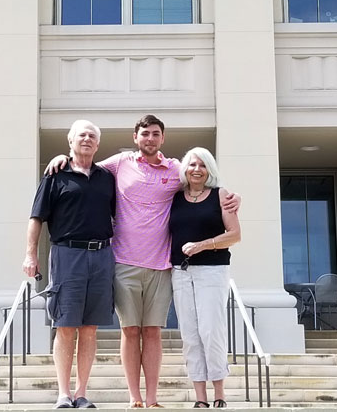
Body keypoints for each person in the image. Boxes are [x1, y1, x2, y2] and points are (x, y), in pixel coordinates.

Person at [47, 114, 240, 408]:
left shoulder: (176, 169)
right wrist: (63, 156)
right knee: (129, 331)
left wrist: (231, 197)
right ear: (135, 137)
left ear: (162, 138)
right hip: (123, 263)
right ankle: (134, 397)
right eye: (144, 134)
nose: (149, 139)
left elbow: (200, 184)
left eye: (155, 134)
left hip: (162, 266)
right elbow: (85, 166)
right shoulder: (120, 163)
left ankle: (152, 399)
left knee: (152, 333)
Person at [24, 120, 116, 409]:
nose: (87, 139)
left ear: (98, 144)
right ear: (71, 142)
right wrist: (30, 254)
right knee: (66, 326)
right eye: (81, 135)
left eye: (92, 136)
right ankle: (63, 393)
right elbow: (36, 218)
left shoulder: (106, 177)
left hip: (102, 256)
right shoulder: (55, 175)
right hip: (67, 255)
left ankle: (82, 393)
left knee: (89, 328)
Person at [169, 147, 241, 408]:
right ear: (185, 169)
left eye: (202, 165)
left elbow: (234, 234)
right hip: (180, 272)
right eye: (192, 164)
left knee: (212, 331)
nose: (196, 169)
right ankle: (200, 398)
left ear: (209, 169)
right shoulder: (175, 198)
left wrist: (202, 245)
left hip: (212, 271)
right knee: (190, 334)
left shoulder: (221, 195)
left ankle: (219, 393)